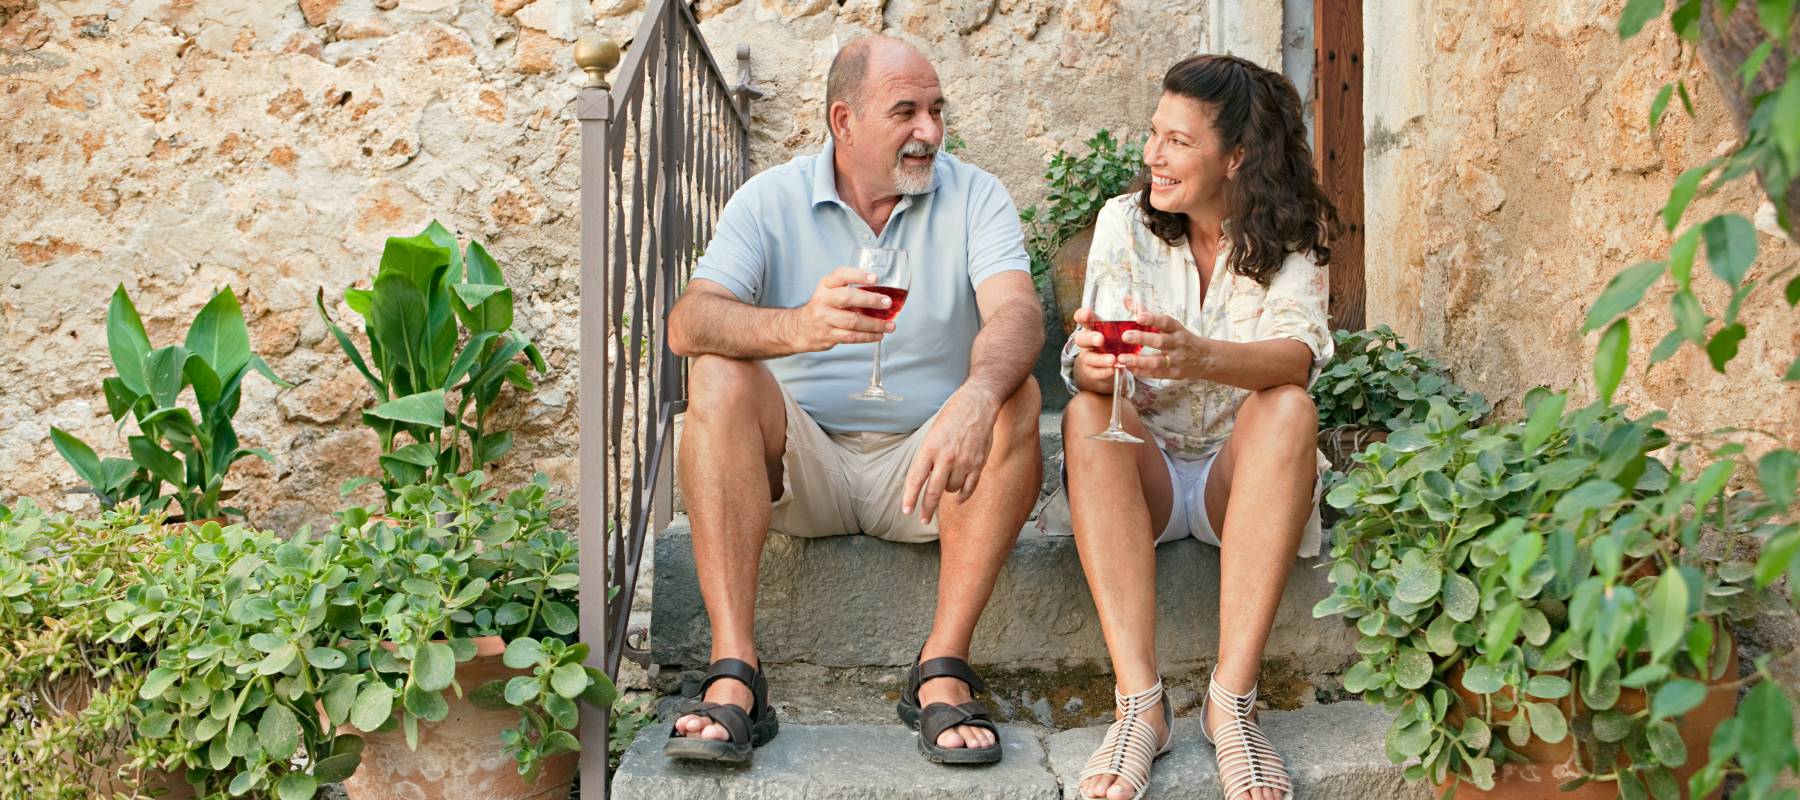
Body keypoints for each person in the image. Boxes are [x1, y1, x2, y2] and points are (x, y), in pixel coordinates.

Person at [659, 34, 1044, 766]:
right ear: (844, 121)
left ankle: (942, 668)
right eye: (906, 112)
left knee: (1016, 395)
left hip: (932, 473)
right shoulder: (769, 199)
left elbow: (1018, 313)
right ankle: (736, 671)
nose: (930, 130)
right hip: (800, 470)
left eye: (937, 110)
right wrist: (797, 326)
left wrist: (978, 394)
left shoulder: (975, 194)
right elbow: (689, 322)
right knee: (715, 370)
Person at [1059, 54, 1338, 800]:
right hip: (1142, 469)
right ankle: (1140, 707)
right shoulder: (1124, 222)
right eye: (1154, 133)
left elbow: (1297, 357)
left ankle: (1232, 706)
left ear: (1236, 156)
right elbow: (1094, 365)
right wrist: (1089, 365)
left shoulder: (1293, 234)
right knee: (1088, 411)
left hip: (1237, 482)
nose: (1153, 154)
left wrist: (1199, 356)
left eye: (1178, 140)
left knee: (1290, 407)